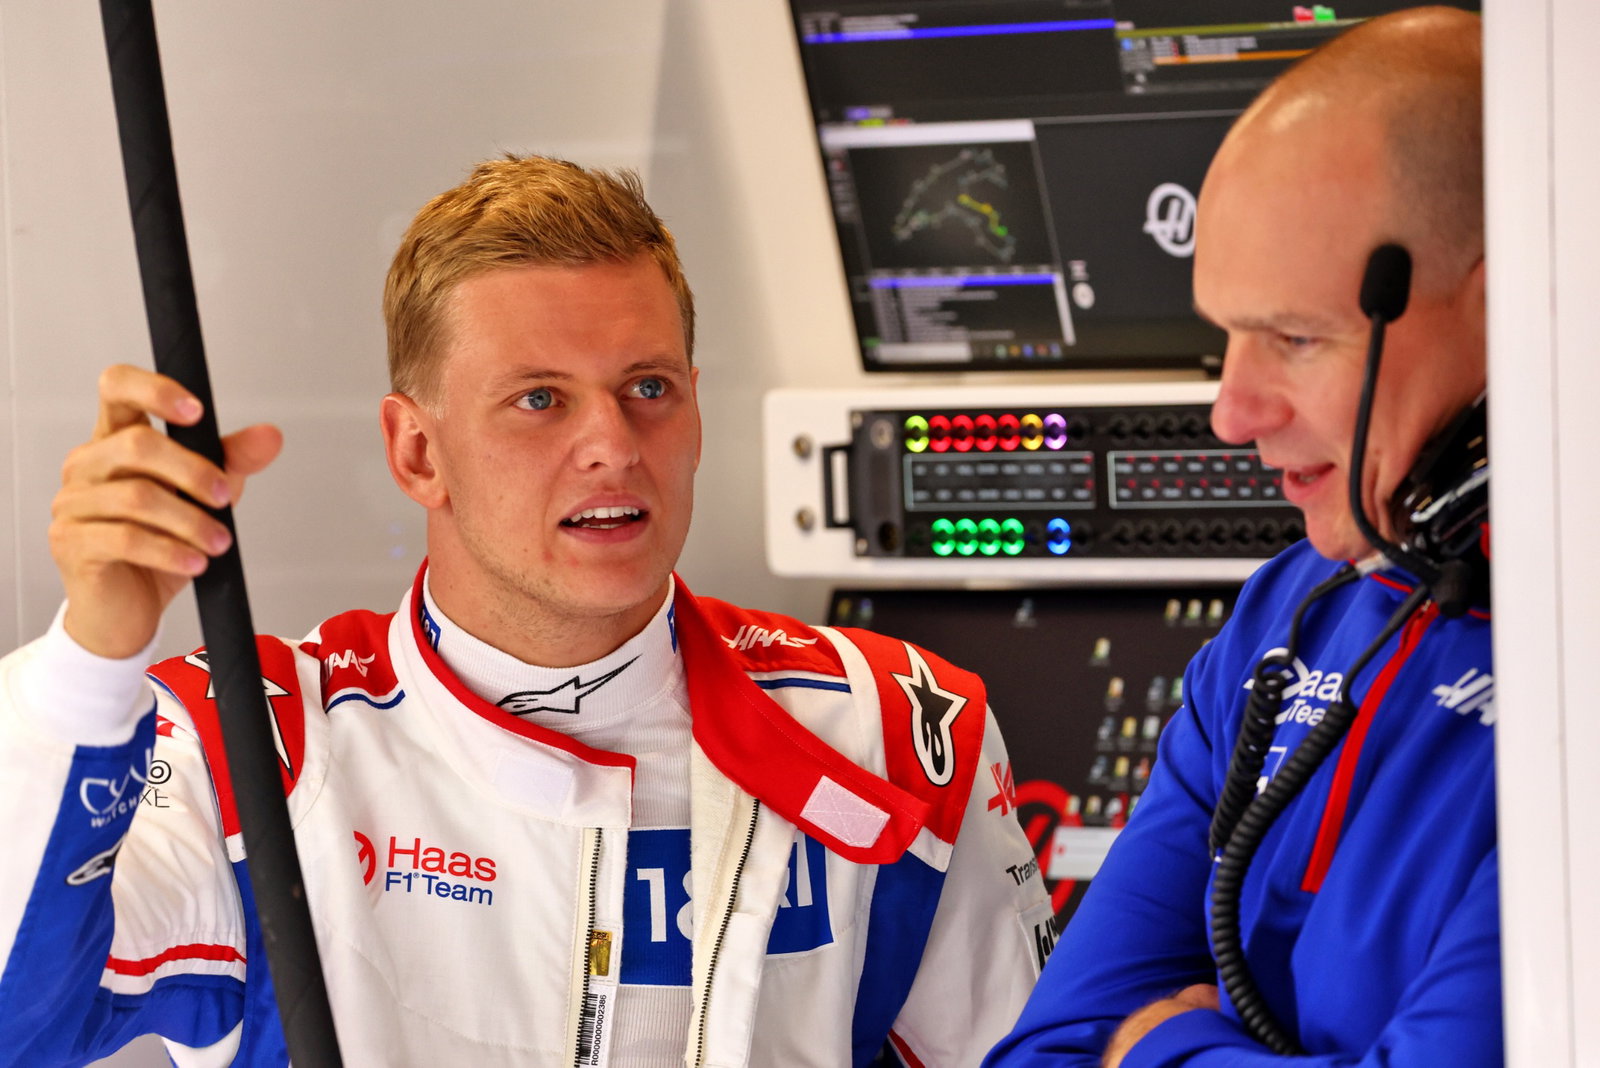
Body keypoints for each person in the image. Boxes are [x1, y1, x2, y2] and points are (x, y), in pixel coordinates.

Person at [0, 156, 1053, 1066]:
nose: (612, 444)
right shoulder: (251, 746)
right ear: (418, 451)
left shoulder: (894, 728)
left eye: (647, 388)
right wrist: (94, 653)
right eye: (539, 399)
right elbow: (18, 1025)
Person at [986, 7, 1495, 1066]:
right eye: (1227, 335)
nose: (1232, 410)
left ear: (1525, 310)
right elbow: (1051, 1048)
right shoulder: (1293, 610)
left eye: (1297, 338)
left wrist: (1155, 1051)